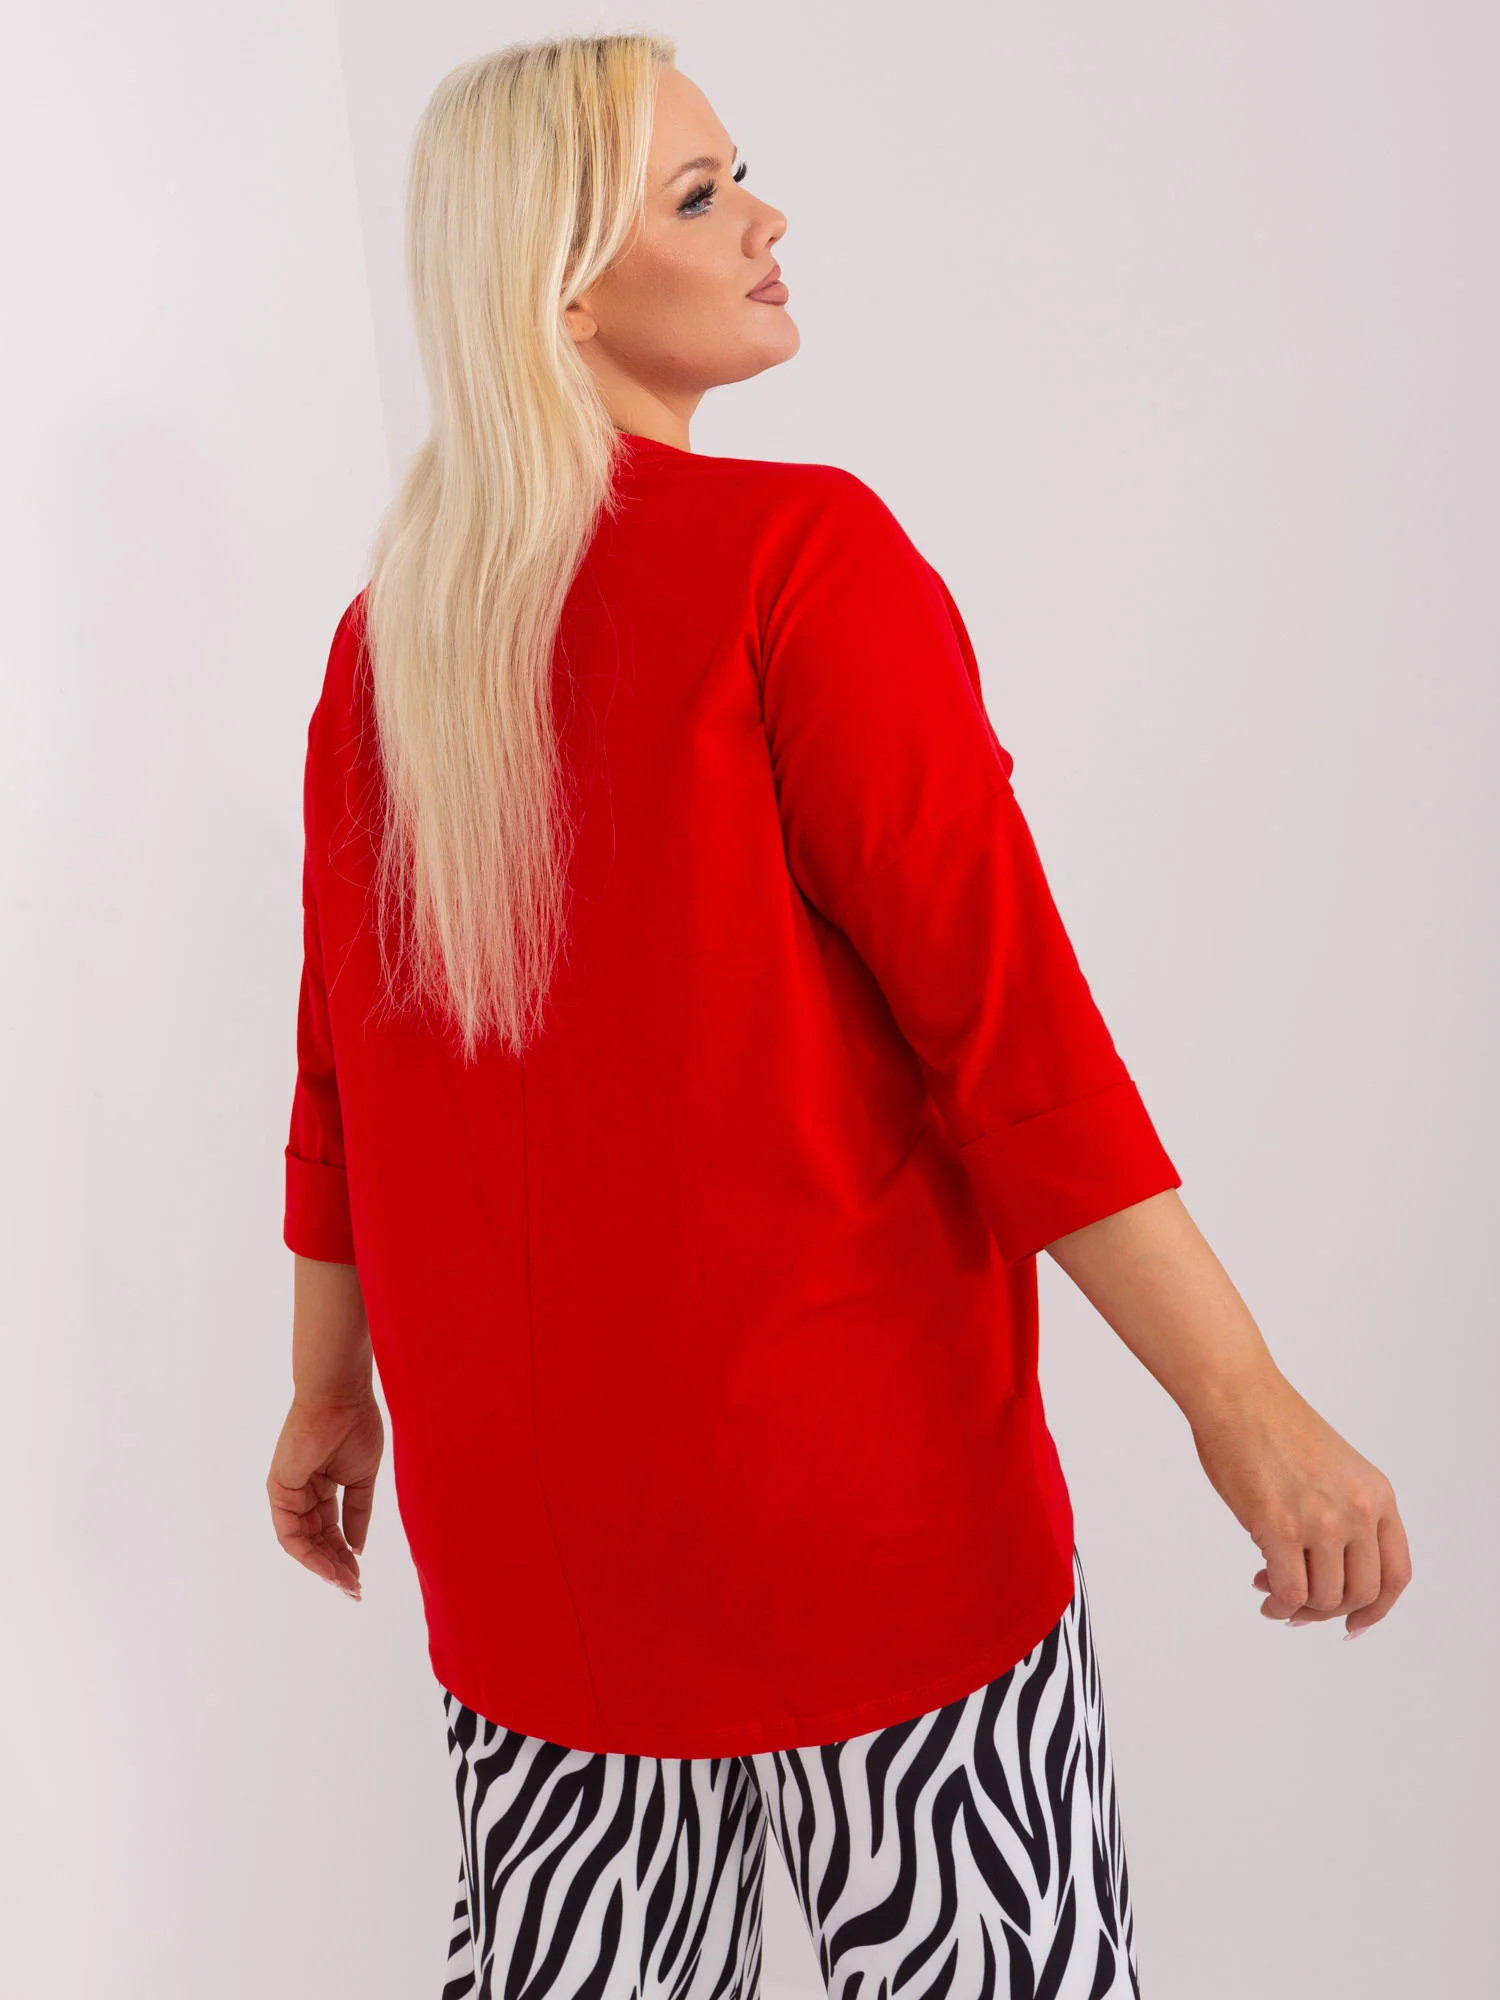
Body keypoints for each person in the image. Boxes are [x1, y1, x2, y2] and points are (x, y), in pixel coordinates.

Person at [266, 34, 1412, 2000]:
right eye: (701, 195)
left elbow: (339, 1085)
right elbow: (1015, 1039)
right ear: (562, 286)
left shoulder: (395, 645)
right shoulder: (800, 563)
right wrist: (1245, 1405)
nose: (765, 219)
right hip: (870, 1545)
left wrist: (324, 1391)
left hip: (539, 1579)